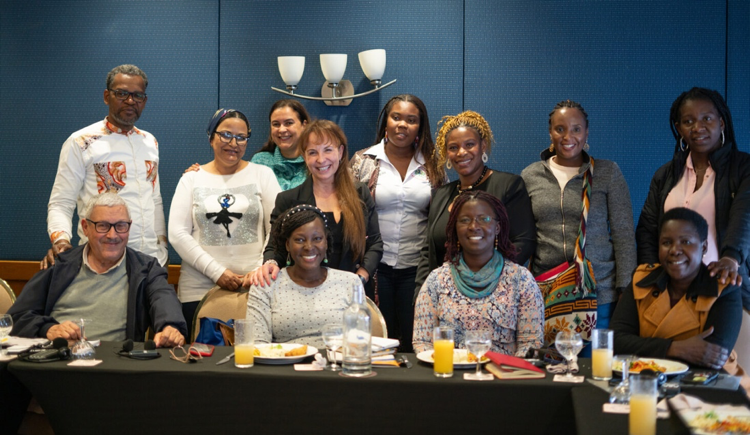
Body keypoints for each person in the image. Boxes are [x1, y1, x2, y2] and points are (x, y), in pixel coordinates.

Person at [10, 193, 186, 347]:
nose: (112, 235)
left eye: (121, 226)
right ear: (86, 227)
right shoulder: (59, 265)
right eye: (102, 226)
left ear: (129, 227)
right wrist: (50, 329)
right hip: (58, 362)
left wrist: (169, 327)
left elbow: (164, 299)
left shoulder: (146, 268)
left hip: (115, 366)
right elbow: (17, 317)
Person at [521, 100, 636, 334]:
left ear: (586, 133)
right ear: (550, 132)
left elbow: (624, 234)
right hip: (546, 289)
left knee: (591, 367)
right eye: (560, 129)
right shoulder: (530, 175)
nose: (568, 136)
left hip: (598, 294)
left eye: (576, 129)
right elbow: (524, 234)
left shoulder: (608, 172)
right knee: (551, 365)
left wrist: (625, 287)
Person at [43, 64, 168, 269]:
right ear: (106, 96)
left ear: (144, 101)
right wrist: (61, 241)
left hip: (151, 263)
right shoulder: (81, 141)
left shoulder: (149, 142)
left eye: (137, 95)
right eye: (122, 93)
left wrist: (162, 247)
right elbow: (61, 203)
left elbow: (155, 199)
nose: (130, 101)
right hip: (103, 262)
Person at [169, 109, 281, 336]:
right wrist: (217, 272)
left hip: (256, 286)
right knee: (202, 362)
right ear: (211, 137)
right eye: (226, 135)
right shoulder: (191, 179)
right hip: (198, 290)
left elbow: (277, 227)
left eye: (241, 137)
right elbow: (177, 233)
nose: (234, 143)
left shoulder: (263, 175)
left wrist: (258, 269)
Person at [637, 87, 750, 308]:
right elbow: (647, 229)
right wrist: (651, 275)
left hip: (725, 288)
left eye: (707, 118)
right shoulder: (665, 175)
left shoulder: (743, 168)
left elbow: (744, 217)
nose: (698, 128)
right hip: (671, 293)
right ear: (679, 128)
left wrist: (731, 258)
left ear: (722, 122)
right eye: (688, 122)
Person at [350, 94, 446, 351]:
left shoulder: (433, 165)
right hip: (374, 266)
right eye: (396, 117)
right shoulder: (363, 161)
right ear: (385, 123)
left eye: (411, 120)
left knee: (414, 337)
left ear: (419, 127)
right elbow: (349, 211)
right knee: (377, 337)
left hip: (416, 267)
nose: (402, 124)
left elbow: (440, 216)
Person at [249, 120, 383, 300]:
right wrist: (270, 263)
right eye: (312, 152)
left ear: (341, 152)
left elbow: (375, 244)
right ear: (304, 156)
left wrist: (360, 277)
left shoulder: (361, 194)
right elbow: (275, 248)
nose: (321, 160)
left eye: (328, 150)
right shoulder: (288, 200)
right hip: (303, 294)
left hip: (352, 293)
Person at [415, 110, 536, 298]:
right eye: (453, 147)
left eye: (469, 144)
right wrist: (422, 295)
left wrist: (485, 280)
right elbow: (428, 251)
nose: (461, 152)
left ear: (483, 146)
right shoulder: (441, 195)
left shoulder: (508, 185)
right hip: (444, 296)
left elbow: (524, 242)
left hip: (495, 293)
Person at [413, 191, 544, 355]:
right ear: (455, 229)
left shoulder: (521, 280)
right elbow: (422, 342)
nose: (473, 226)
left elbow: (530, 345)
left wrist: (509, 374)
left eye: (484, 219)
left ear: (497, 228)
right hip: (450, 375)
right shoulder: (436, 280)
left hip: (503, 376)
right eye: (465, 220)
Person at [611, 208, 741, 370]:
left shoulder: (723, 288)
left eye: (685, 242)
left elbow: (712, 356)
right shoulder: (641, 279)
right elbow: (615, 342)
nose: (674, 250)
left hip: (705, 386)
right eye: (666, 242)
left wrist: (641, 346)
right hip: (642, 379)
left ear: (704, 247)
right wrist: (675, 348)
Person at [247, 205, 361, 348]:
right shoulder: (266, 284)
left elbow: (359, 342)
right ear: (287, 244)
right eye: (300, 240)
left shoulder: (350, 282)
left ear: (326, 242)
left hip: (336, 366)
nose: (309, 246)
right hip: (284, 366)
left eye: (317, 238)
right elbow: (257, 345)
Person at [251, 99, 311, 190]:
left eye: (289, 123)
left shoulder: (316, 162)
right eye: (276, 124)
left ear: (304, 125)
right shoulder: (259, 162)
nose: (282, 130)